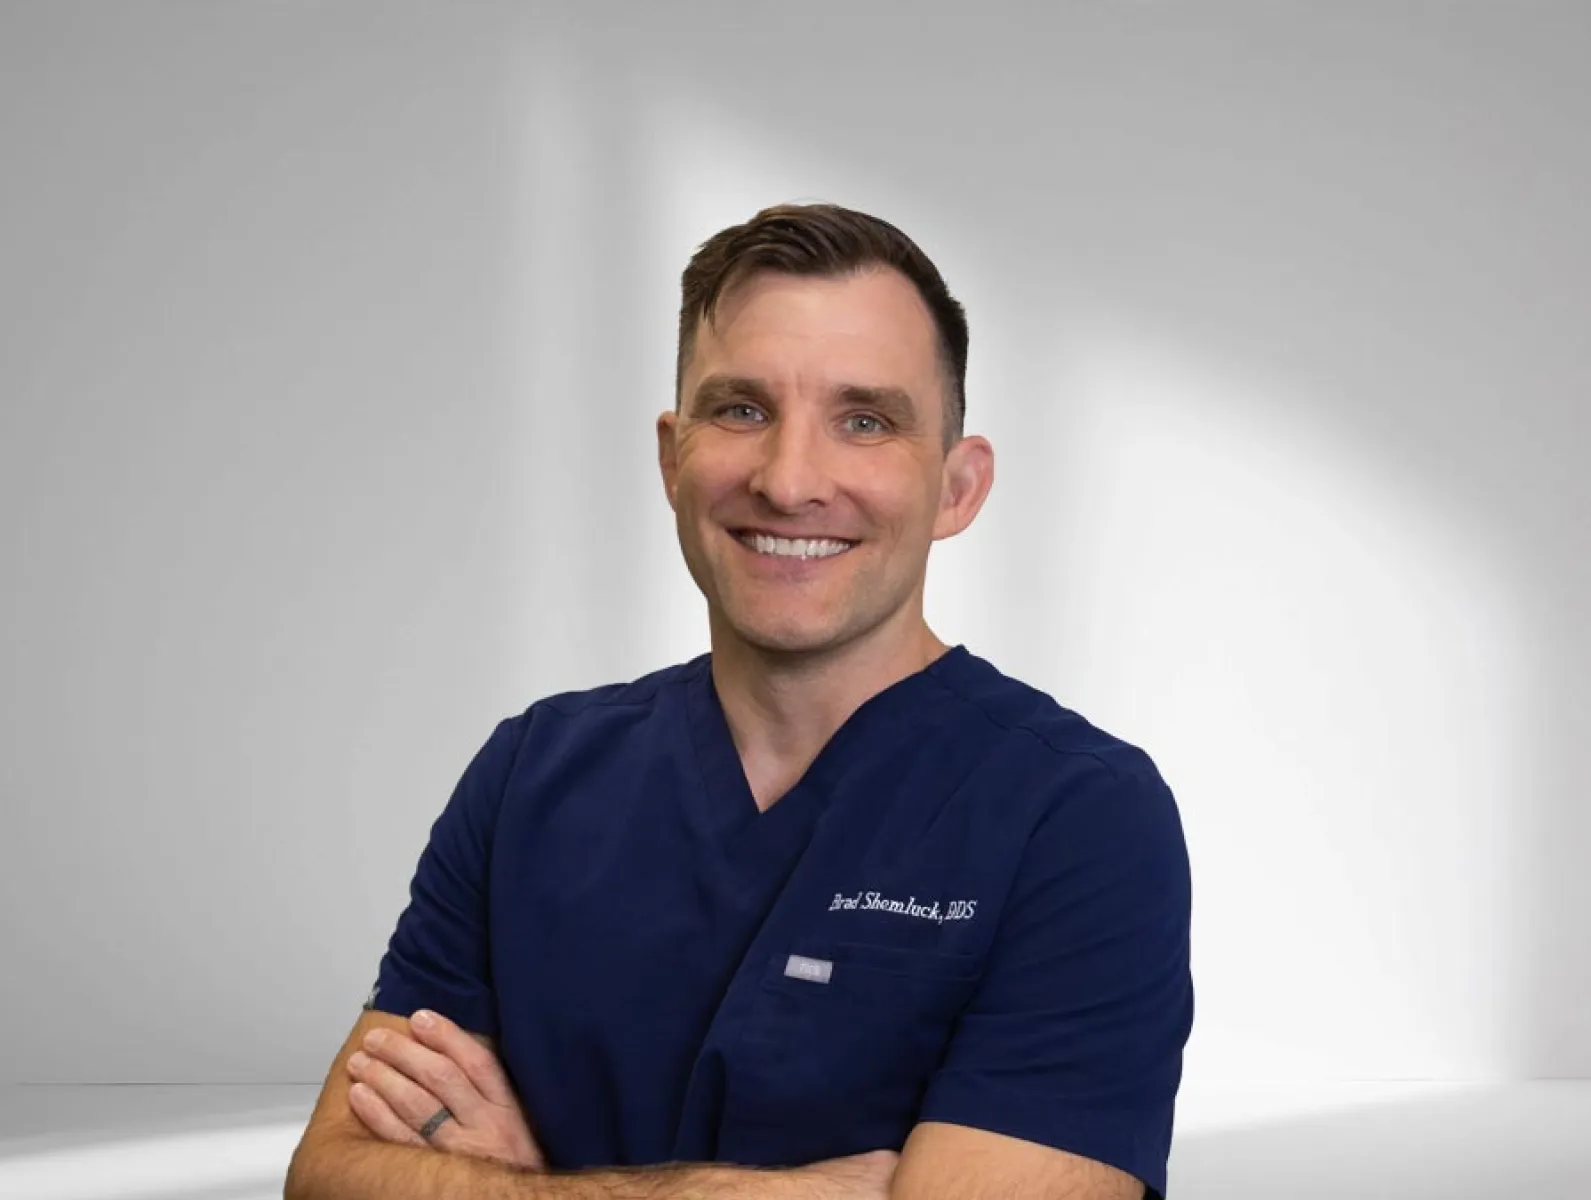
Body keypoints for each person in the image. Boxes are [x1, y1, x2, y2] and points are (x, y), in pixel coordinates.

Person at [285, 202, 1194, 1200]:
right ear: (674, 456)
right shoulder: (529, 776)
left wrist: (522, 1187)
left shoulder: (1079, 816)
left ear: (956, 487)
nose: (790, 479)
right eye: (741, 410)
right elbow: (330, 1177)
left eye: (865, 421)